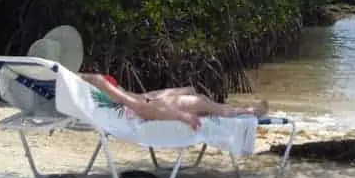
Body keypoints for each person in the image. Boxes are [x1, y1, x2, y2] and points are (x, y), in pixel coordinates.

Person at [80, 73, 269, 131]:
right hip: (142, 107)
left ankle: (243, 109)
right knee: (202, 102)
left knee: (189, 90)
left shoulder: (79, 87)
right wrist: (181, 116)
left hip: (142, 100)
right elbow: (141, 108)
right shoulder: (99, 84)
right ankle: (247, 112)